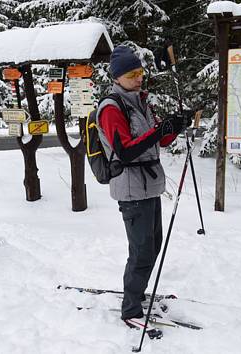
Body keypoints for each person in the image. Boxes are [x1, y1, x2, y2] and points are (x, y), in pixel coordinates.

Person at [97, 46, 189, 324]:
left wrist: (175, 125)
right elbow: (125, 150)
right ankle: (131, 309)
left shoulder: (141, 101)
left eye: (140, 72)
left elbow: (159, 141)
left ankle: (137, 293)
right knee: (141, 252)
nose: (138, 78)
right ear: (117, 77)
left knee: (152, 245)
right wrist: (159, 131)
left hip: (149, 185)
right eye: (131, 74)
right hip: (130, 188)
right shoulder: (111, 108)